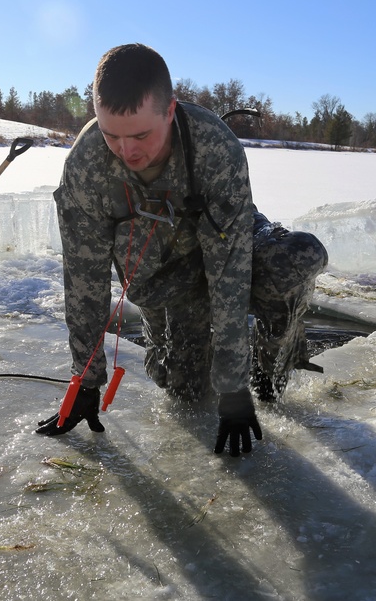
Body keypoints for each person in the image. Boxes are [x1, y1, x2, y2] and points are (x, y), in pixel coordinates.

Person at [36, 43, 327, 456]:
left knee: (295, 260)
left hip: (222, 244)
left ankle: (272, 360)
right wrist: (86, 379)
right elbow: (84, 280)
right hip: (164, 274)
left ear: (170, 111)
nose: (127, 151)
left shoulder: (214, 148)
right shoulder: (86, 165)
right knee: (187, 390)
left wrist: (234, 387)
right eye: (111, 134)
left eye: (140, 135)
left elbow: (229, 271)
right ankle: (176, 347)